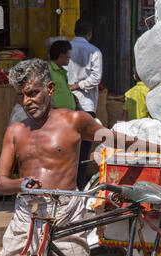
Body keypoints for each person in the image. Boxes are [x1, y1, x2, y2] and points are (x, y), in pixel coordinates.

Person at [0, 59, 161, 256]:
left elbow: (115, 139)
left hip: (64, 211)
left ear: (50, 89)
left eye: (32, 93)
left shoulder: (74, 121)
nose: (27, 101)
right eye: (22, 96)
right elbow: (0, 181)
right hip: (26, 213)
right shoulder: (15, 131)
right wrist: (19, 184)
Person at [66, 18, 103, 190]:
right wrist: (79, 85)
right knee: (82, 152)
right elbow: (96, 78)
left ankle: (65, 187)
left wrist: (72, 86)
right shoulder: (94, 51)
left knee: (66, 149)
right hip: (86, 105)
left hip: (66, 103)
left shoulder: (65, 50)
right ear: (89, 34)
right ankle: (79, 188)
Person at [49, 40, 76, 110]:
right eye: (68, 55)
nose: (69, 58)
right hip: (58, 114)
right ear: (61, 56)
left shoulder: (61, 71)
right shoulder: (49, 71)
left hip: (68, 113)